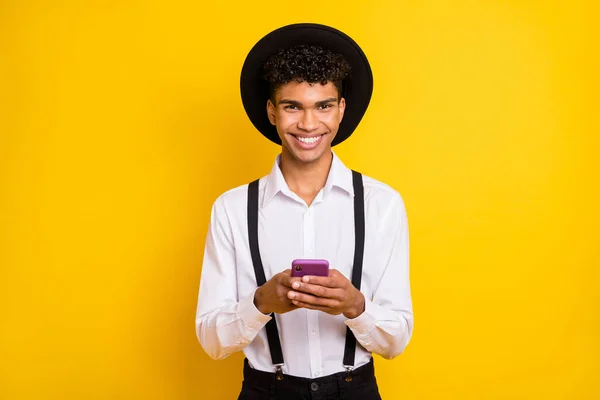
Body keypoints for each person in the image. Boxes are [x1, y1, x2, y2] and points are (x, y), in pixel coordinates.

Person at [195, 23, 413, 399]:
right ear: (272, 112)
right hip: (266, 390)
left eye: (323, 106)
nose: (309, 124)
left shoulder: (382, 204)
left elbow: (396, 340)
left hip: (354, 389)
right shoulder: (231, 209)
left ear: (341, 109)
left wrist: (355, 306)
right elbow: (212, 341)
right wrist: (262, 303)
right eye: (292, 106)